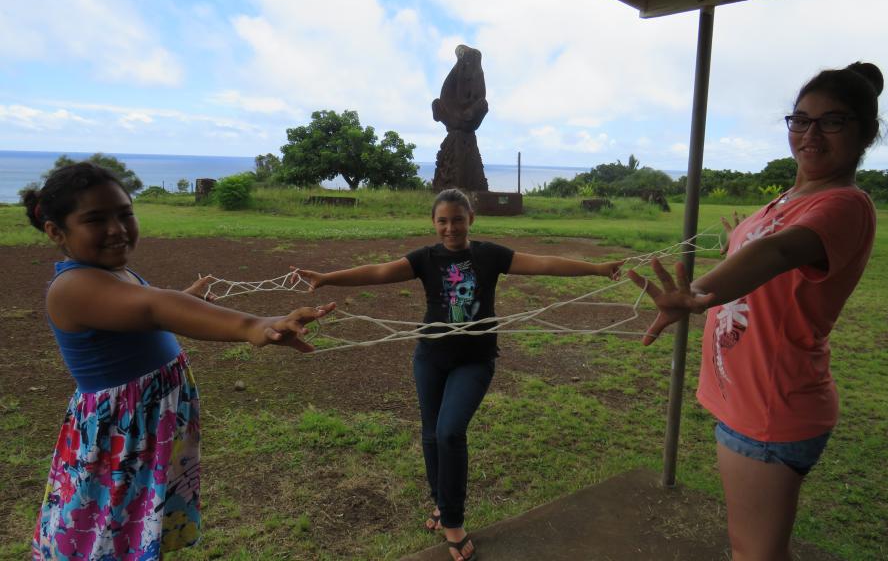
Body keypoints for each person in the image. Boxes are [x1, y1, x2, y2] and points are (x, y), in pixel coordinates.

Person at [627, 62, 882, 561]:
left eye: (832, 122)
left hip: (771, 407)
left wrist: (696, 291)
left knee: (754, 554)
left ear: (867, 133)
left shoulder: (845, 203)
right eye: (801, 120)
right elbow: (765, 259)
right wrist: (738, 241)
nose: (810, 134)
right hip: (750, 399)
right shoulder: (793, 197)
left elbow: (778, 252)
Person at [23, 162, 336, 560]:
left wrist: (186, 299)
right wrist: (255, 325)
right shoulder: (72, 286)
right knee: (100, 534)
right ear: (56, 231)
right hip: (118, 438)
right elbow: (154, 307)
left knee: (129, 530)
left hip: (141, 431)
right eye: (96, 219)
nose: (117, 229)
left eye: (125, 213)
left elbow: (141, 313)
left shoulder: (115, 274)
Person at [294, 188, 623, 561]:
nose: (450, 228)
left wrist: (597, 268)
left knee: (450, 432)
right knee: (432, 434)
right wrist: (327, 277)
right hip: (430, 358)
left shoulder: (490, 255)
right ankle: (441, 502)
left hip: (475, 360)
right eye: (443, 221)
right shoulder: (425, 258)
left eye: (458, 220)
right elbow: (379, 271)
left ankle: (452, 520)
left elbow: (544, 264)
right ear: (434, 223)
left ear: (471, 220)